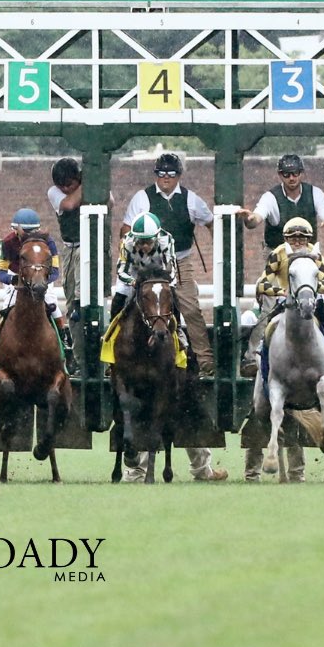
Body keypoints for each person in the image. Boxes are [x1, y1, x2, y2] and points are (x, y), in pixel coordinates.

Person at [120, 153, 226, 482]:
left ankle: (200, 356)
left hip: (175, 265)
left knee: (188, 308)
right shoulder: (142, 200)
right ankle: (109, 344)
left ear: (178, 175)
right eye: (161, 174)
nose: (165, 178)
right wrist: (131, 282)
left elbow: (210, 222)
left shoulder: (190, 201)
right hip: (139, 273)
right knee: (119, 305)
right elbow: (125, 235)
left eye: (170, 174)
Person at [242, 217, 324, 483]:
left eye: (302, 238)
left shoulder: (316, 256)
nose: (298, 242)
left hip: (309, 303)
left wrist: (310, 290)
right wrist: (283, 291)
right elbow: (261, 284)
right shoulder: (278, 255)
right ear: (286, 238)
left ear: (308, 239)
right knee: (268, 327)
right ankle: (258, 359)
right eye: (293, 238)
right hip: (284, 305)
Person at [236, 153, 324, 376]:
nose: (292, 178)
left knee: (321, 306)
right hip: (280, 257)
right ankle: (251, 357)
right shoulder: (271, 197)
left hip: (307, 257)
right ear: (280, 175)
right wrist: (249, 219)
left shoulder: (315, 194)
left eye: (295, 173)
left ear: (301, 174)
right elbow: (257, 218)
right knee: (269, 308)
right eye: (286, 174)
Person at [109, 212, 191, 356]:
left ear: (156, 238)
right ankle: (112, 332)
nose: (145, 246)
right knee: (119, 298)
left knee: (172, 296)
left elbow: (171, 269)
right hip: (134, 273)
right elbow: (121, 271)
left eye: (149, 242)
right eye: (140, 242)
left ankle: (179, 332)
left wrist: (165, 284)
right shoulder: (127, 243)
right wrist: (134, 282)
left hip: (159, 273)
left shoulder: (167, 240)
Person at [0, 208, 73, 354]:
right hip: (16, 275)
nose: (29, 236)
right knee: (6, 307)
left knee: (53, 305)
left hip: (41, 275)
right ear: (15, 230)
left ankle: (63, 339)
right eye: (25, 232)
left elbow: (54, 270)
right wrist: (13, 279)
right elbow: (0, 272)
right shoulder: (6, 243)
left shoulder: (48, 242)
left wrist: (42, 280)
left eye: (32, 232)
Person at [47, 157, 83, 323]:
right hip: (70, 246)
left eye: (70, 184)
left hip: (92, 245)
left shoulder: (90, 184)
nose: (66, 189)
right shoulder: (53, 192)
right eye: (62, 186)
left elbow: (110, 201)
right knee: (69, 284)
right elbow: (69, 204)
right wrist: (86, 184)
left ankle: (79, 299)